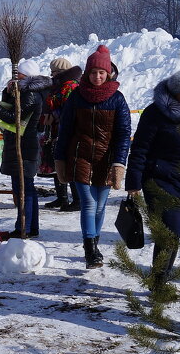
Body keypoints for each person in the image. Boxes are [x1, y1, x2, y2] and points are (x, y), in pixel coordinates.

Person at [125, 70, 180, 282]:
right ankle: (159, 280)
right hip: (160, 179)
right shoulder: (155, 114)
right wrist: (133, 182)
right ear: (174, 93)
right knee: (170, 232)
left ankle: (162, 275)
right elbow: (140, 149)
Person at [54, 45, 132, 269]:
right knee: (88, 203)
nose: (97, 77)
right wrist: (60, 158)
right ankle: (90, 249)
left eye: (101, 72)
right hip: (80, 156)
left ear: (108, 73)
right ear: (87, 73)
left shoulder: (117, 99)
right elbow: (65, 129)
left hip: (106, 159)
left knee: (100, 205)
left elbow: (123, 133)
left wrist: (119, 162)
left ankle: (94, 243)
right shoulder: (77, 97)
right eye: (93, 72)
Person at [0, 59, 51, 238]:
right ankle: (30, 227)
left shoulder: (31, 95)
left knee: (23, 188)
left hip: (25, 146)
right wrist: (7, 92)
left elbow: (14, 117)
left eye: (18, 74)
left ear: (25, 76)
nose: (16, 77)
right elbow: (12, 108)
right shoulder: (27, 92)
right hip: (22, 144)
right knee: (26, 187)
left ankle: (24, 228)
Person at [42, 57, 82, 211]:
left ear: (61, 72)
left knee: (69, 164)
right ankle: (62, 197)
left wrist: (53, 115)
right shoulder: (60, 85)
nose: (52, 75)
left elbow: (69, 110)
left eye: (54, 72)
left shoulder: (70, 86)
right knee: (57, 162)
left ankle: (77, 200)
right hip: (56, 129)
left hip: (66, 130)